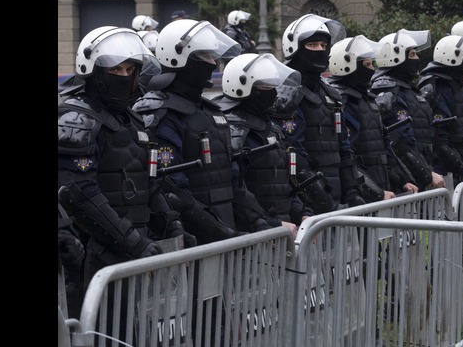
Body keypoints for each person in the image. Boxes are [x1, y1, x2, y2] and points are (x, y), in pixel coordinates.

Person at [58, 27, 193, 295]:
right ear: (94, 71)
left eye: (129, 70)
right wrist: (133, 242)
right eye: (115, 70)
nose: (124, 76)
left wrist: (171, 225)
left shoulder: (130, 119)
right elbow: (80, 195)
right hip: (92, 260)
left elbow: (148, 183)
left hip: (133, 251)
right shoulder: (77, 119)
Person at [133, 19, 273, 244]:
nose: (213, 62)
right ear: (179, 57)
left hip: (224, 233)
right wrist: (218, 232)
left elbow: (233, 181)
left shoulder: (210, 112)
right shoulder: (161, 112)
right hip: (190, 240)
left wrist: (260, 222)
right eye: (205, 56)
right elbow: (172, 188)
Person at [280, 14, 368, 207]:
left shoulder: (330, 93)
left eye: (323, 45)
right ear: (294, 48)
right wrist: (322, 199)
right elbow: (294, 153)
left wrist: (353, 190)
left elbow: (344, 148)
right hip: (307, 201)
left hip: (336, 195)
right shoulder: (287, 92)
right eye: (312, 45)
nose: (320, 50)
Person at [214, 54, 303, 236]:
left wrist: (303, 213)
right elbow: (236, 189)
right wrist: (269, 223)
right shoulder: (234, 130)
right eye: (265, 86)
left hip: (282, 230)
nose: (273, 92)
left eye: (273, 85)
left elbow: (286, 183)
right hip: (255, 236)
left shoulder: (271, 128)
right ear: (243, 87)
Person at [327, 35, 419, 200]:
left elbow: (384, 147)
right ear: (347, 66)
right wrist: (376, 192)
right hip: (363, 194)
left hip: (381, 184)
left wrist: (403, 180)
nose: (371, 69)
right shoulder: (344, 101)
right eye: (367, 64)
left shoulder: (367, 99)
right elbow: (349, 157)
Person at [371, 29, 446, 192]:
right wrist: (427, 174)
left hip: (421, 175)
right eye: (412, 55)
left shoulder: (407, 89)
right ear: (395, 57)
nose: (417, 59)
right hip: (408, 181)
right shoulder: (390, 91)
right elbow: (400, 142)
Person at [418, 35, 463, 185]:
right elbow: (438, 139)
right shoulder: (440, 88)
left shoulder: (462, 85)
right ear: (452, 57)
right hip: (450, 172)